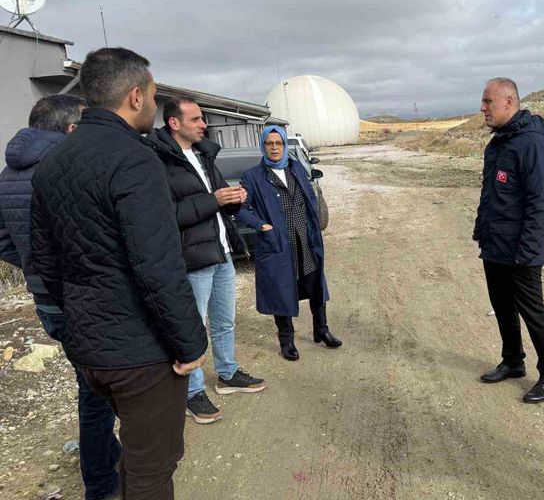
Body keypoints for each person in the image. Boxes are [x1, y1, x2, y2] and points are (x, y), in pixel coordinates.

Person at [30, 47, 207, 500]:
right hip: (141, 354)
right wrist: (190, 344)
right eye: (151, 94)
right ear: (134, 96)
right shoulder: (135, 159)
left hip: (90, 352)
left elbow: (43, 262)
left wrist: (73, 329)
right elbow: (158, 266)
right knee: (152, 470)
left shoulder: (54, 162)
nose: (152, 104)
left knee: (135, 460)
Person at [0, 95, 121, 500]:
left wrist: (33, 267)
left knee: (91, 384)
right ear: (71, 130)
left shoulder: (6, 173)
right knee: (96, 394)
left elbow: (3, 239)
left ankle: (108, 453)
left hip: (47, 301)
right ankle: (101, 484)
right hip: (81, 300)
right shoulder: (66, 169)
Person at [148, 97, 266, 425]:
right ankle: (191, 393)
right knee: (193, 326)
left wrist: (231, 200)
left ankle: (227, 374)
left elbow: (216, 201)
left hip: (222, 250)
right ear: (174, 123)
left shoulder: (203, 154)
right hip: (192, 258)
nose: (204, 124)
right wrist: (213, 200)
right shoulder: (159, 161)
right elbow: (165, 216)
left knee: (224, 320)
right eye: (197, 119)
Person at [473, 78, 544, 403]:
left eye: (488, 102)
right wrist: (482, 230)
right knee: (502, 306)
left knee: (532, 310)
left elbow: (539, 203)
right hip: (495, 245)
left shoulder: (533, 145)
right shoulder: (497, 144)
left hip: (521, 250)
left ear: (509, 102)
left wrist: (529, 250)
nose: (482, 108)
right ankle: (513, 361)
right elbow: (492, 194)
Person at [236, 125, 341, 361]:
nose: (274, 147)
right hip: (278, 244)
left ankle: (321, 330)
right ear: (263, 146)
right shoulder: (252, 176)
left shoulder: (296, 168)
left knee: (316, 285)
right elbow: (239, 209)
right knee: (281, 290)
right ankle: (287, 340)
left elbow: (310, 197)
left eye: (278, 143)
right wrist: (262, 226)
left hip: (305, 240)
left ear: (284, 145)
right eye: (269, 143)